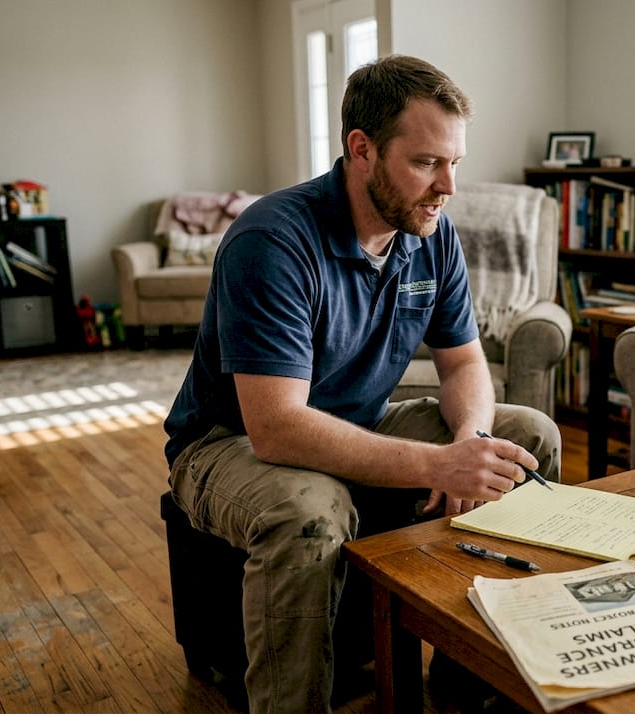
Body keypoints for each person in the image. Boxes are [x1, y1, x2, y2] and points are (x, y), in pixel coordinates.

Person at [163, 54, 561, 713]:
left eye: (454, 162)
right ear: (362, 149)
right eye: (428, 162)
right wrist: (437, 462)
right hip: (225, 441)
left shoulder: (429, 232)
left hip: (358, 418)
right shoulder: (273, 241)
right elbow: (277, 426)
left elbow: (463, 362)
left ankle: (466, 682)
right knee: (309, 512)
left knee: (526, 441)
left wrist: (472, 440)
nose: (449, 186)